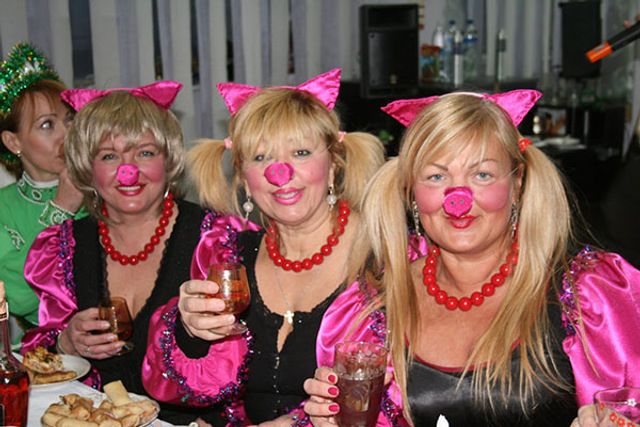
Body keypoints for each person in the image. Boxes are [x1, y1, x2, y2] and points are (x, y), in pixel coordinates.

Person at [303, 90, 640, 426]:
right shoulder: (375, 307)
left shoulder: (588, 297)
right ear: (411, 193)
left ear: (517, 184)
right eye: (436, 177)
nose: (458, 199)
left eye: (482, 175)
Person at [141, 68, 386, 426]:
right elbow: (188, 389)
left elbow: (396, 392)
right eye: (260, 158)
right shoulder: (228, 255)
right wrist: (190, 333)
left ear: (333, 165)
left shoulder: (383, 257)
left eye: (301, 152)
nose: (279, 173)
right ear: (243, 178)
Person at [20, 82, 234, 424]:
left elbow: (248, 353)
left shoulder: (215, 238)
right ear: (87, 168)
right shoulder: (63, 247)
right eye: (109, 156)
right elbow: (37, 358)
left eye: (145, 153)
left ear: (168, 159)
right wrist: (67, 343)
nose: (128, 171)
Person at [0, 42, 85, 340]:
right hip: (44, 354)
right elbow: (19, 297)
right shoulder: (3, 209)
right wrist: (60, 210)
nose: (66, 134)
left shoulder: (104, 191)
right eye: (47, 125)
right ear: (13, 142)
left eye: (69, 119)